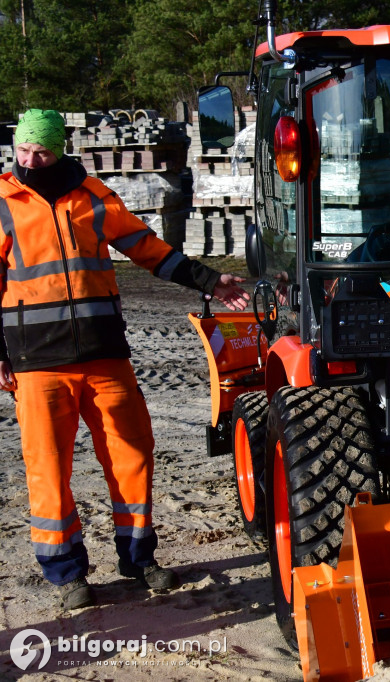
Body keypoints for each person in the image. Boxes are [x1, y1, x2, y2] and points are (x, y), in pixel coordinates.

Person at [0, 109, 251, 611]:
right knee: (49, 469)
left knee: (132, 457)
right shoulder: (3, 204)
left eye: (41, 152)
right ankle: (68, 573)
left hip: (105, 356)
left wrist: (210, 280)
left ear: (59, 150)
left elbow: (149, 249)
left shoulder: (94, 198)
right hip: (35, 362)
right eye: (23, 151)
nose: (30, 160)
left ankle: (138, 559)